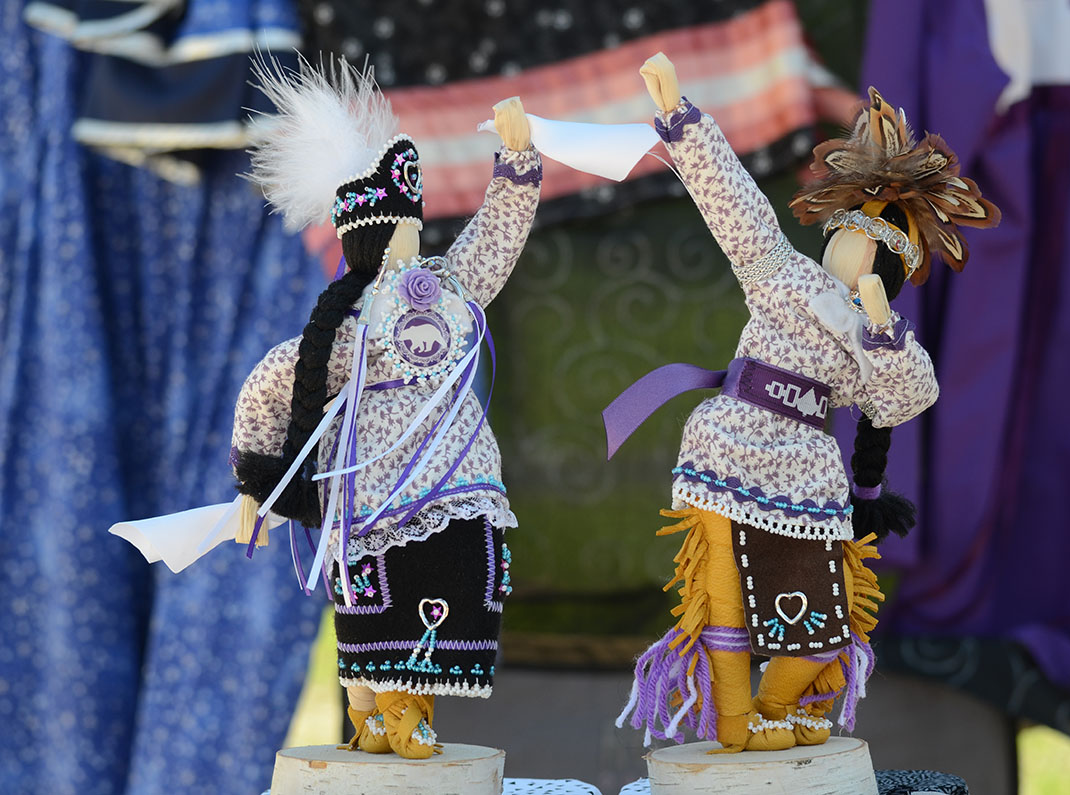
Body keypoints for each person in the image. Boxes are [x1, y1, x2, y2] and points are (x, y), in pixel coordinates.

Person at [610, 53, 997, 752]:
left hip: (809, 477)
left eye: (874, 246)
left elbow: (908, 395)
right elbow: (734, 206)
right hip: (729, 448)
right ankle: (733, 718)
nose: (854, 249)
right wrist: (681, 120)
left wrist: (880, 325)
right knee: (723, 599)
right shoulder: (781, 274)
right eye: (852, 231)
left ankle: (772, 704)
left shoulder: (876, 339)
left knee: (819, 623)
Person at [233, 58, 541, 758]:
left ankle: (395, 713)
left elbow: (496, 238)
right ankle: (383, 716)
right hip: (379, 497)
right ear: (375, 237)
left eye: (416, 226)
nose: (415, 240)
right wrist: (257, 476)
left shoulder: (450, 288)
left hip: (453, 484)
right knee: (389, 601)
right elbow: (272, 380)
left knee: (449, 585)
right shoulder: (347, 330)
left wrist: (517, 164)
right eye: (404, 229)